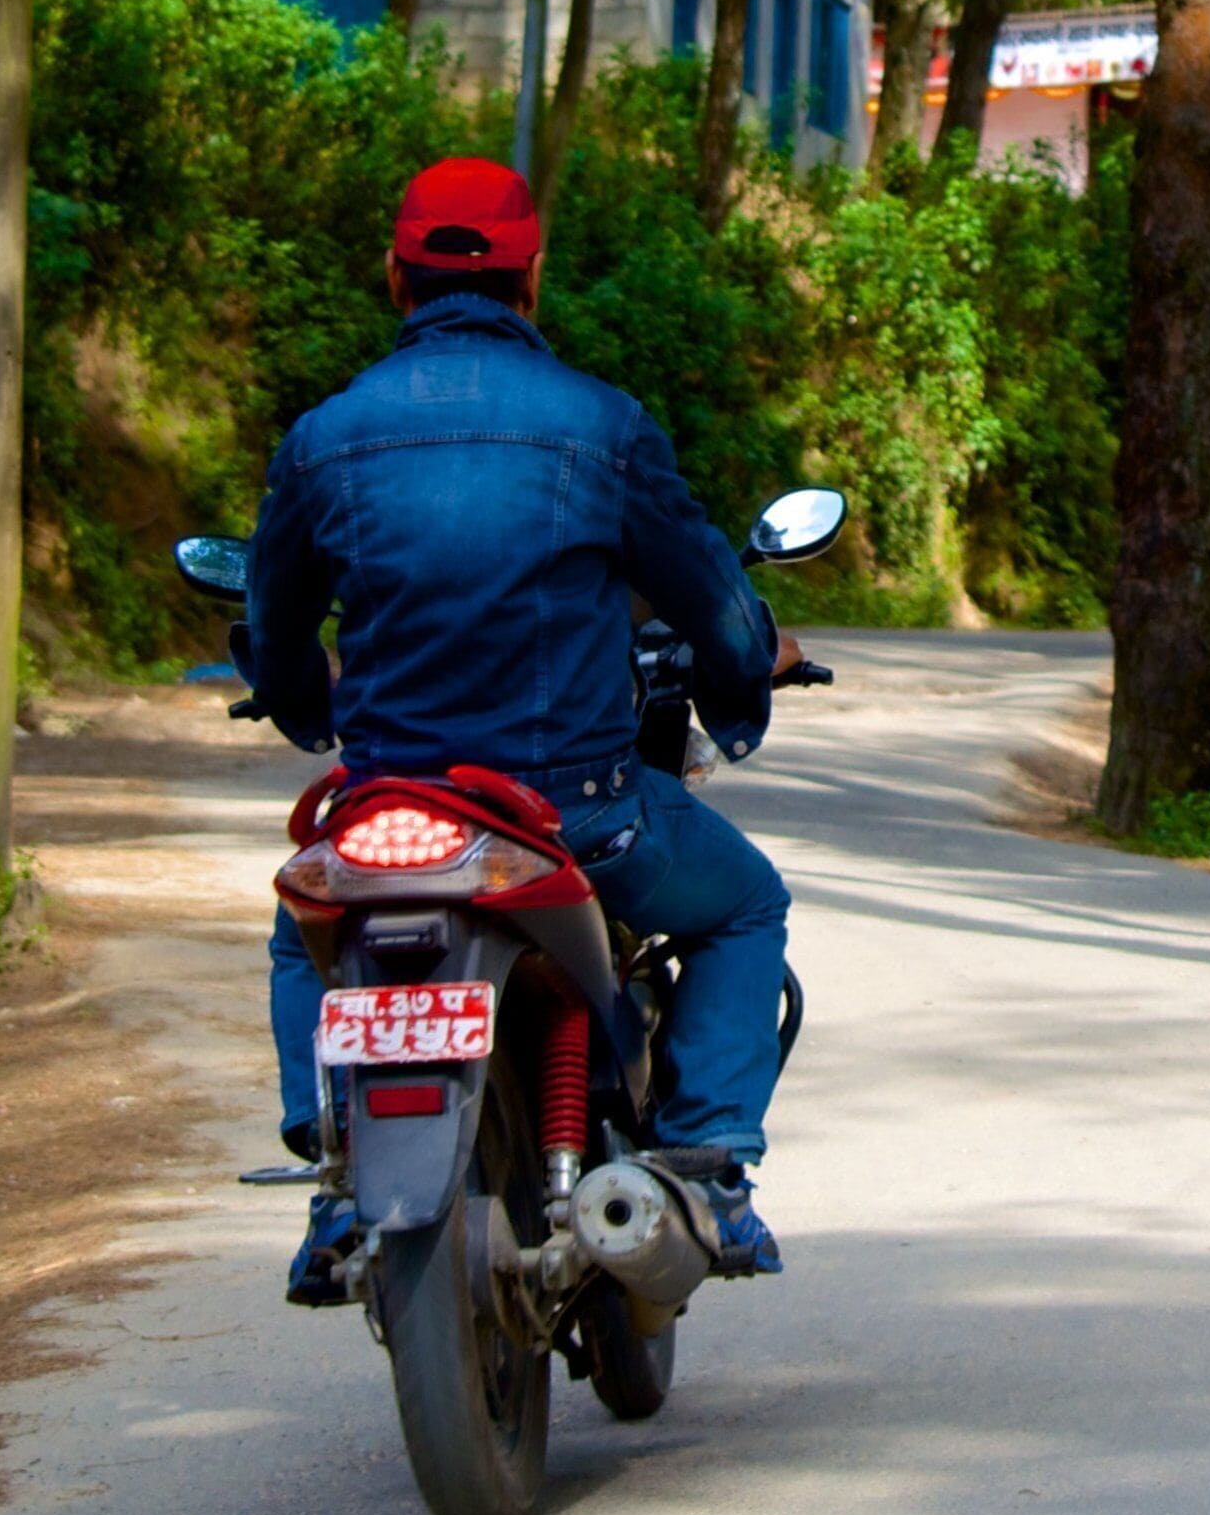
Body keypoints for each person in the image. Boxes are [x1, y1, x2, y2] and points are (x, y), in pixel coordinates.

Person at [242, 157, 796, 1304]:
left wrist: (311, 712)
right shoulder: (603, 425)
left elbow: (277, 629)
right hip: (580, 818)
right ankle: (704, 1160)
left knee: (305, 936)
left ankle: (334, 1157)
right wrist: (755, 661)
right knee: (747, 907)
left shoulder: (324, 437)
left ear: (394, 276)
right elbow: (711, 602)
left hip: (387, 818)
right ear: (532, 280)